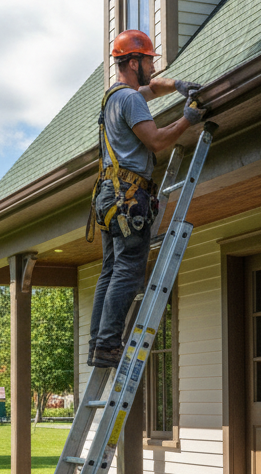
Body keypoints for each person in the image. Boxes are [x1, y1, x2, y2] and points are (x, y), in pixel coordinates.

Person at [85, 29, 206, 368]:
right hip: (128, 195)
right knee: (128, 271)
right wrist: (187, 119)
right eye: (150, 61)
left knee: (110, 270)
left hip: (109, 196)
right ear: (134, 62)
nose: (153, 67)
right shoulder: (131, 100)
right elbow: (155, 141)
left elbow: (153, 88)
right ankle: (109, 345)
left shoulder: (115, 98)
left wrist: (179, 85)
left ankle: (100, 343)